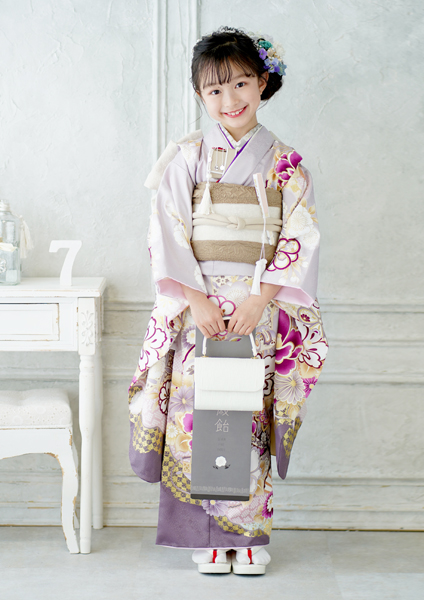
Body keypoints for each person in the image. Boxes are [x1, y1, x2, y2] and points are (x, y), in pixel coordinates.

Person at [128, 27, 328, 575]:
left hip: (255, 311)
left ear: (262, 82)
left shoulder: (286, 163)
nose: (229, 99)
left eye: (240, 83)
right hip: (201, 308)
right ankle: (206, 537)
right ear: (199, 95)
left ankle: (248, 534)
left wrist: (261, 300)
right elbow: (167, 229)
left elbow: (300, 235)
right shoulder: (187, 156)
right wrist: (195, 300)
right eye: (214, 90)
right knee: (197, 415)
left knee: (249, 416)